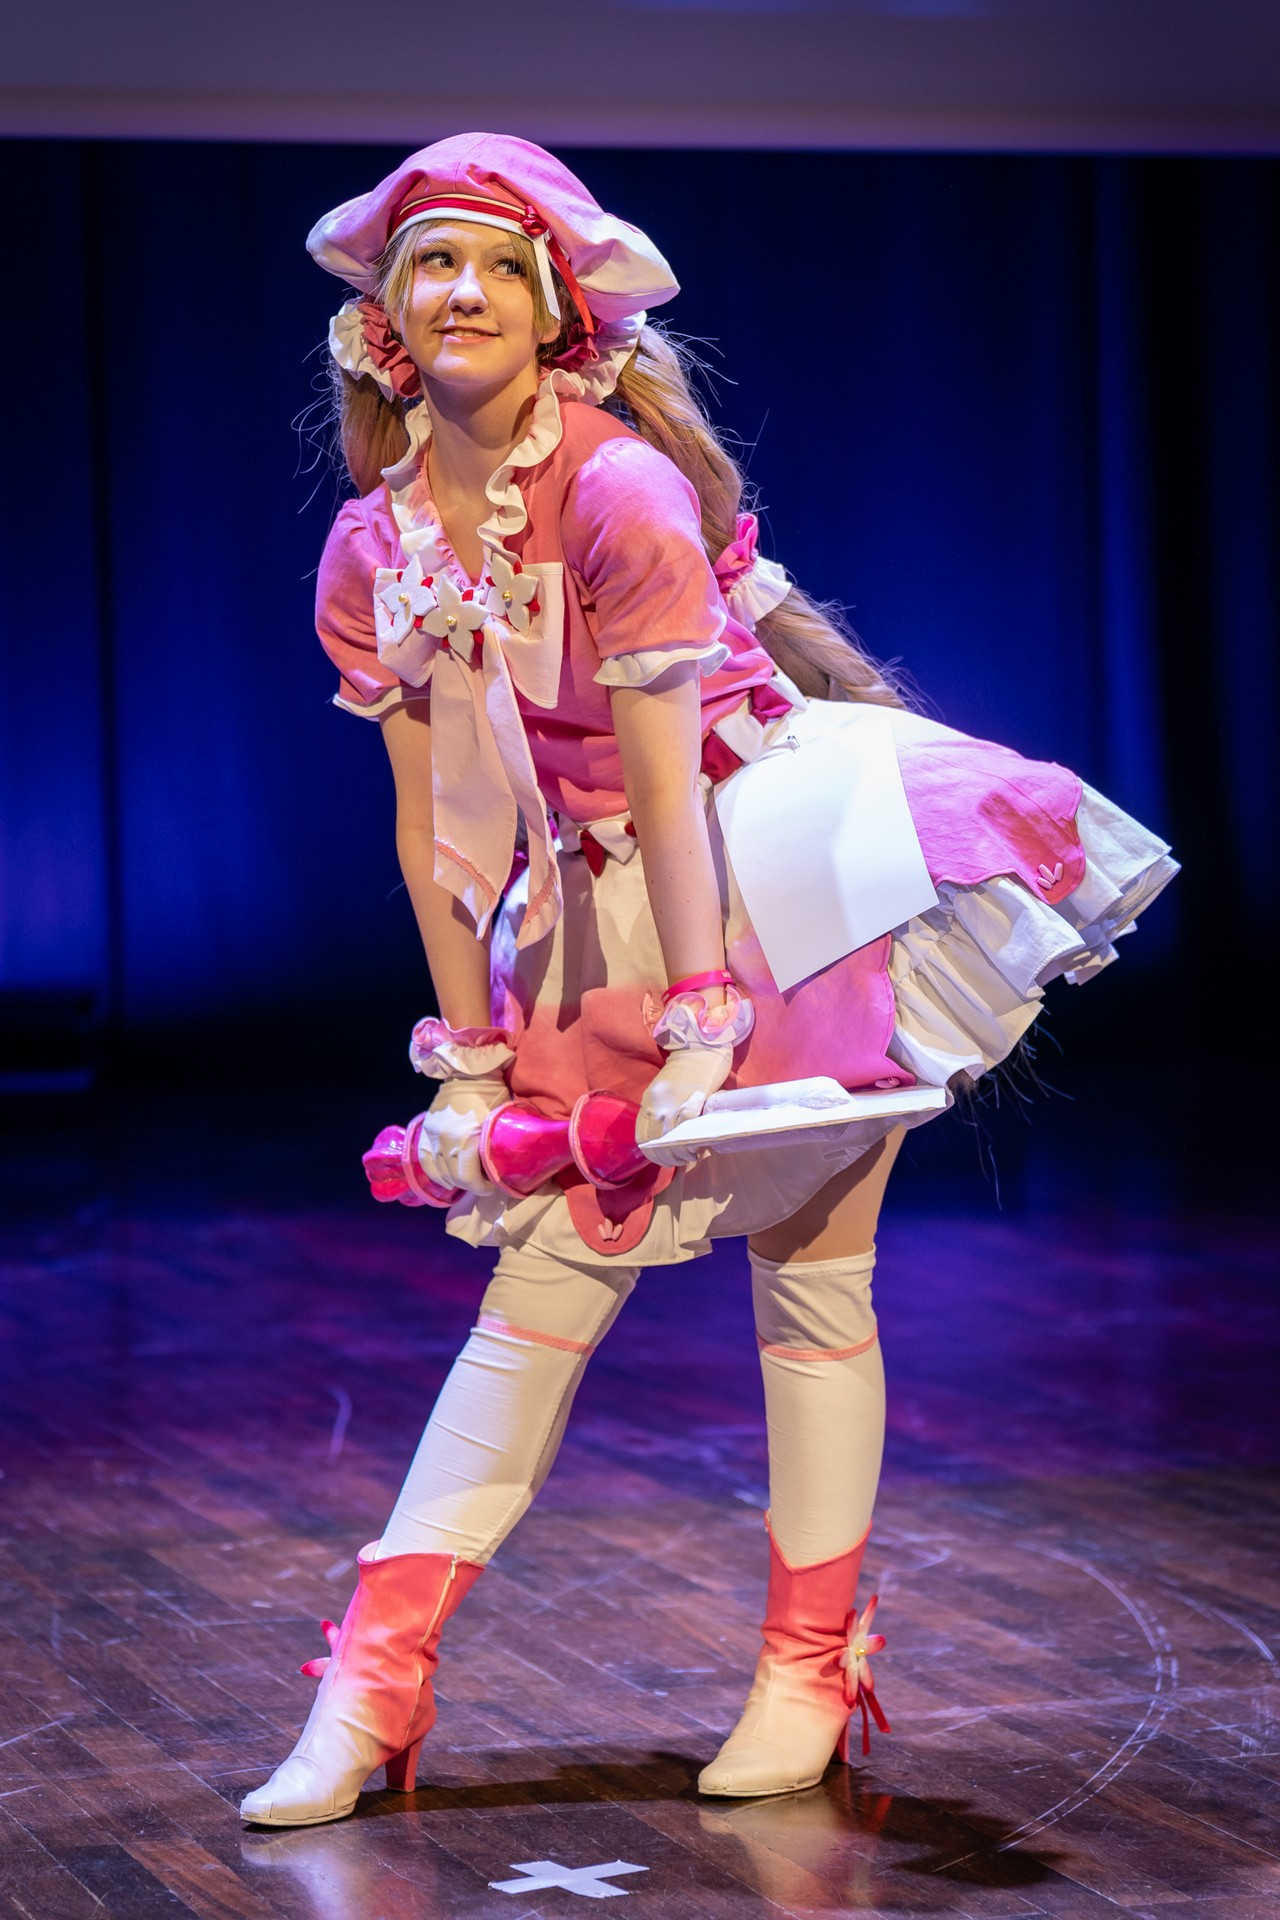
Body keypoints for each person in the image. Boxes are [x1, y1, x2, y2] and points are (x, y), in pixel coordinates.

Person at [239, 134, 1176, 1826]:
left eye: (497, 264)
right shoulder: (374, 550)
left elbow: (674, 791)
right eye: (431, 262)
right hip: (577, 895)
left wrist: (701, 1022)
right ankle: (372, 1687)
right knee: (542, 1286)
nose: (460, 291)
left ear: (556, 310)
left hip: (768, 874)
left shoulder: (619, 491)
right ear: (384, 317)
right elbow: (436, 830)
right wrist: (469, 1050)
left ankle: (810, 1671)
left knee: (813, 1272)